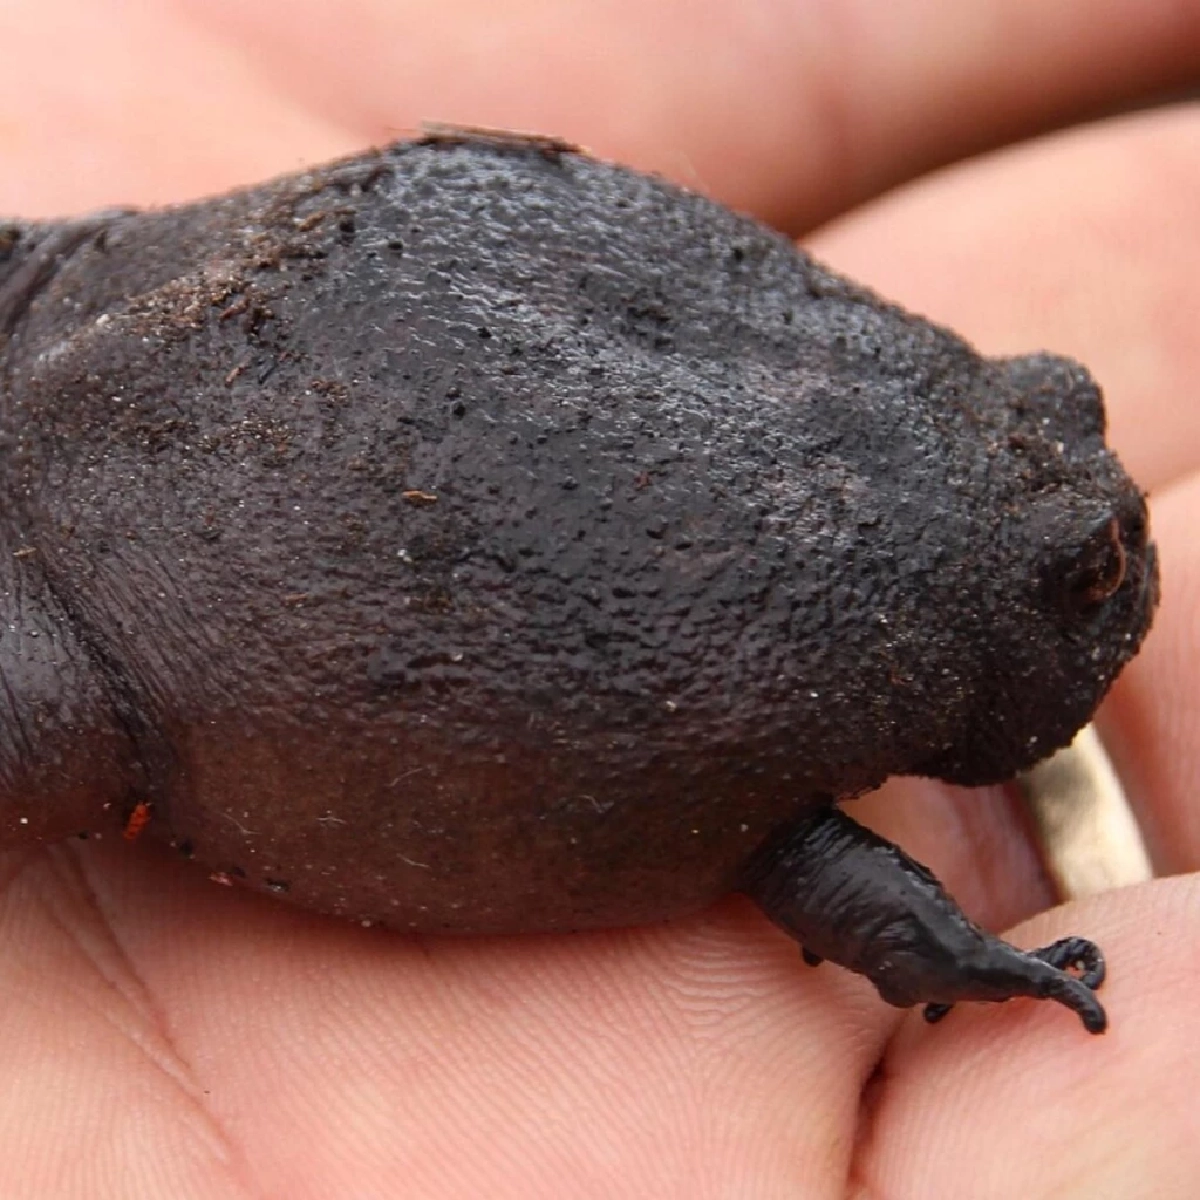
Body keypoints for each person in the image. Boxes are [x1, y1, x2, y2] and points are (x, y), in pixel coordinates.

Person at [2, 2, 1197, 1194]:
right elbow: (873, 912)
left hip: (155, 325)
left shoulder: (817, 613)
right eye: (1086, 570)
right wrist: (970, 963)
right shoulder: (809, 690)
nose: (1120, 528)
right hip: (141, 592)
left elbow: (810, 856)